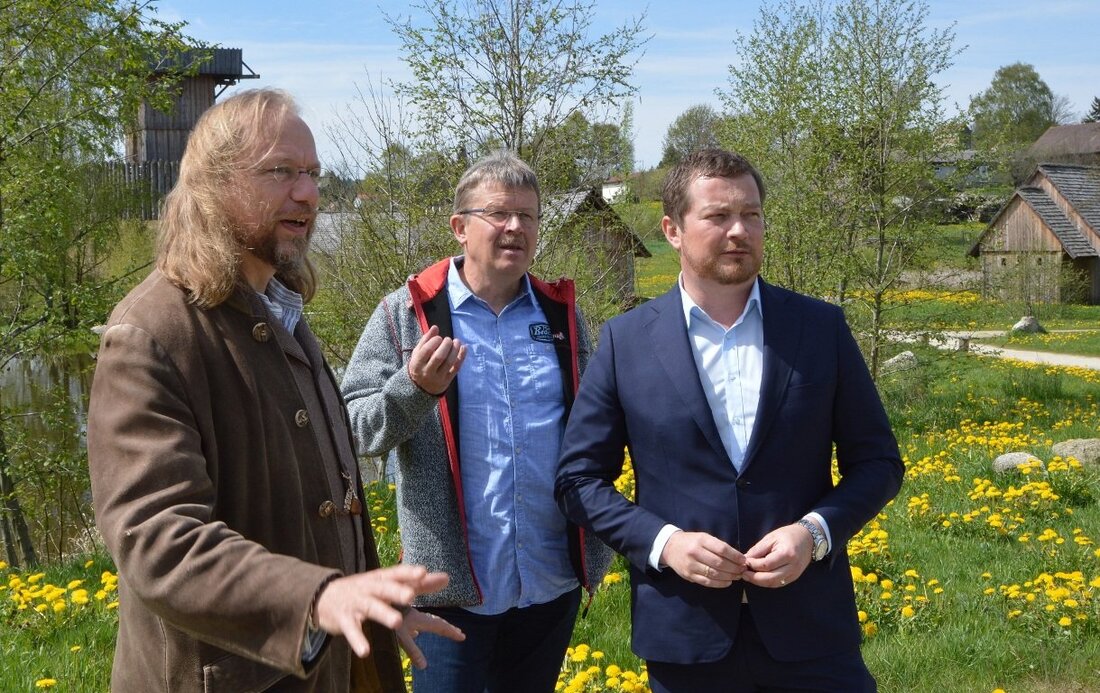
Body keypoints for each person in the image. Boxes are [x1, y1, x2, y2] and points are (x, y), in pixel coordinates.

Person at [87, 88, 462, 693]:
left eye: (312, 173)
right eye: (281, 172)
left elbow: (327, 492)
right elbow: (157, 539)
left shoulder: (283, 310)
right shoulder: (150, 333)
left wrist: (362, 597)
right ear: (214, 185)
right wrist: (318, 598)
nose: (310, 193)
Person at [555, 148, 905, 692]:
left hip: (812, 631)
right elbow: (577, 481)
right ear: (673, 229)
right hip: (686, 638)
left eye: (752, 215)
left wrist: (813, 534)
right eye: (718, 216)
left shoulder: (819, 329)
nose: (739, 230)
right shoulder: (626, 342)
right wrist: (664, 542)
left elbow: (879, 462)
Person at [341, 150, 612, 693]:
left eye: (528, 216)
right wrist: (415, 390)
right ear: (460, 227)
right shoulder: (407, 313)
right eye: (498, 213)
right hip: (450, 595)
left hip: (549, 584)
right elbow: (352, 428)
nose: (515, 227)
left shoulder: (561, 316)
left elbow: (598, 427)